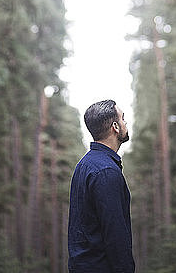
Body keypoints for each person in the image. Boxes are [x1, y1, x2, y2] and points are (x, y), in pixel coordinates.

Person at [68, 99, 135, 273]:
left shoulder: (84, 165)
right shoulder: (106, 171)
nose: (125, 122)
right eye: (123, 118)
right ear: (115, 127)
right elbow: (115, 235)